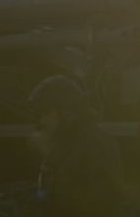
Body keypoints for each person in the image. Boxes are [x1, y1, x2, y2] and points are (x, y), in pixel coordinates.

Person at [28, 75, 124, 217]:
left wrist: (49, 154)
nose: (42, 120)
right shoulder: (64, 142)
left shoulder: (96, 144)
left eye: (46, 113)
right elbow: (46, 192)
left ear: (67, 112)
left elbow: (98, 202)